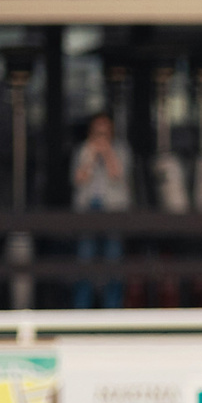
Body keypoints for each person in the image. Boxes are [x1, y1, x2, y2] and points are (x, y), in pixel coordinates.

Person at [70, 114, 131, 309]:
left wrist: (107, 153)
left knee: (113, 260)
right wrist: (91, 156)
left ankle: (112, 309)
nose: (101, 137)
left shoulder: (120, 149)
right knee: (85, 260)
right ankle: (82, 309)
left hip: (112, 209)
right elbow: (79, 179)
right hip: (88, 208)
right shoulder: (83, 150)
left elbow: (118, 175)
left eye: (105, 132)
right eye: (97, 132)